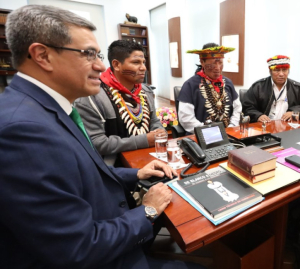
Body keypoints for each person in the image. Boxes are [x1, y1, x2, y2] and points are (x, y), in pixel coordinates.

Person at [0, 5, 204, 269]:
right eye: (89, 54)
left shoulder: (49, 108)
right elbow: (77, 248)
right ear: (43, 56)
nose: (100, 65)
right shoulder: (22, 131)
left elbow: (79, 175)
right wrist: (148, 210)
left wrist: (137, 174)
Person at [75, 40, 163, 166]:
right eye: (136, 62)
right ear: (116, 64)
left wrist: (159, 132)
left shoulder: (145, 91)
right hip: (115, 168)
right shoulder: (92, 97)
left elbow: (154, 121)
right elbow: (97, 143)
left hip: (151, 158)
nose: (143, 67)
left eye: (143, 62)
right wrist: (143, 140)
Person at [178, 43, 241, 133]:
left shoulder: (228, 83)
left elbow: (237, 109)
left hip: (229, 133)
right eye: (212, 64)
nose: (217, 68)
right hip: (202, 136)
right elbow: (186, 119)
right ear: (202, 62)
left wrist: (232, 127)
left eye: (220, 63)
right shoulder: (190, 85)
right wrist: (209, 131)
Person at [242, 55, 300, 123]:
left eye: (284, 70)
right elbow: (247, 107)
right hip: (264, 127)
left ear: (288, 71)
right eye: (277, 70)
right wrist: (258, 116)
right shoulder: (258, 87)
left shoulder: (298, 88)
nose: (281, 74)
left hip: (287, 127)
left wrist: (294, 112)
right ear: (270, 71)